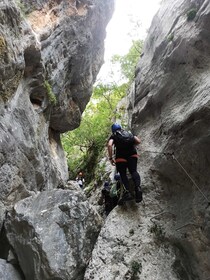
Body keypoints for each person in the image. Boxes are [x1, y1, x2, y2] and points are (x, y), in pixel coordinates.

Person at [107, 123, 142, 204]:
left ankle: (127, 192)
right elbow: (138, 141)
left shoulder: (114, 135)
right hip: (132, 154)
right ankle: (138, 189)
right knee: (133, 171)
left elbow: (109, 145)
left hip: (121, 157)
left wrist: (110, 158)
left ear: (113, 130)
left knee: (122, 174)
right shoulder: (128, 133)